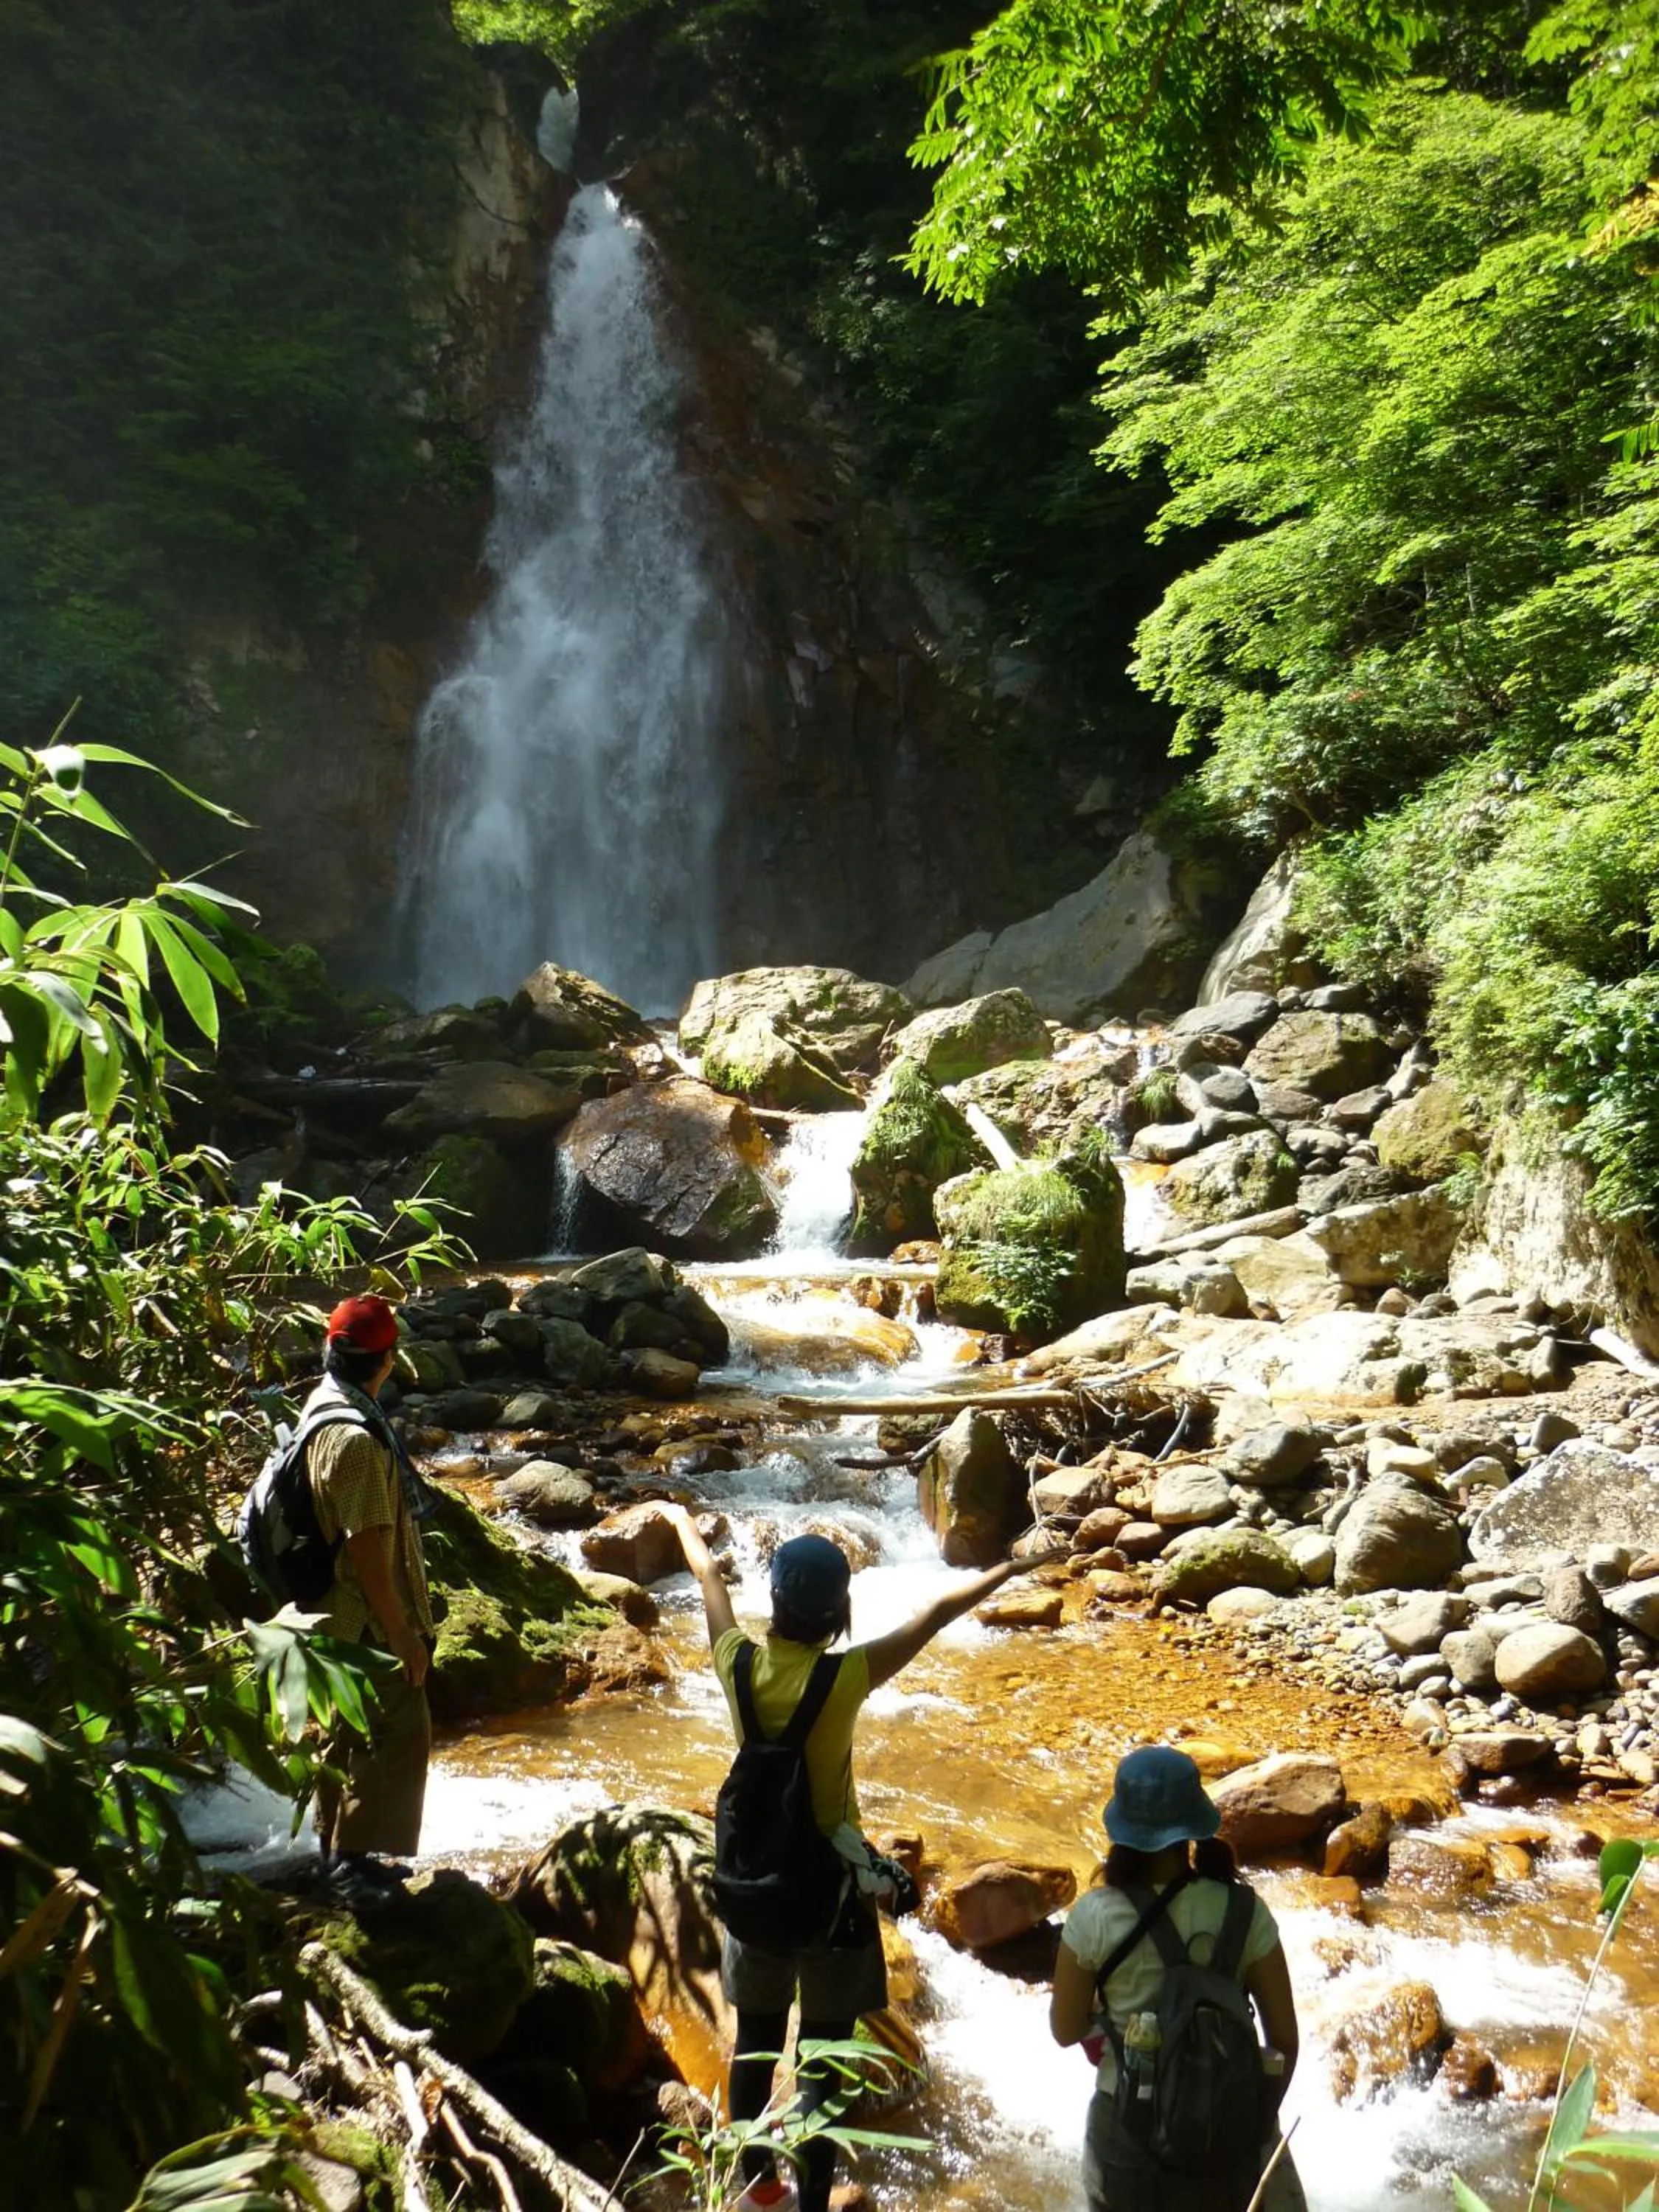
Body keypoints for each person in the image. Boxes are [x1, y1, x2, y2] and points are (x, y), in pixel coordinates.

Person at [667, 1503, 1059, 2212]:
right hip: (831, 1897)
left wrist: (676, 1517)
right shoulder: (846, 1677)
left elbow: (707, 1580)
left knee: (754, 2043)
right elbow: (937, 1613)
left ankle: (756, 2190)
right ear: (837, 1612)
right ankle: (812, 2200)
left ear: (776, 1603)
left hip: (754, 1885)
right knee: (822, 2052)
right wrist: (1016, 1565)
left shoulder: (738, 1663)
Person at [1049, 1745, 1305, 2212]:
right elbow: (1285, 2041)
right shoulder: (1246, 1911)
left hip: (1126, 2131)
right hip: (1226, 2127)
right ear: (1195, 1824)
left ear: (1121, 1827)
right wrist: (1248, 2122)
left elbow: (1065, 2031)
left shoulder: (1093, 1917)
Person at [305, 1294, 437, 1902]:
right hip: (364, 1617)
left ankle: (340, 1853)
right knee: (396, 1727)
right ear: (385, 1361)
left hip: (335, 1611)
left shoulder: (324, 1404)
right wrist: (401, 1629)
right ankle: (350, 1866)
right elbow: (367, 1547)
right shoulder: (357, 1440)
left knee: (348, 1730)